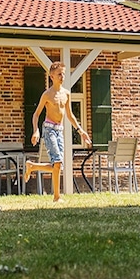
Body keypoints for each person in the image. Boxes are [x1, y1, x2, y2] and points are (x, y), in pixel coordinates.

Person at [25, 61, 91, 202]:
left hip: (59, 130)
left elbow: (70, 115)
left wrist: (81, 131)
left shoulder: (66, 94)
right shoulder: (47, 95)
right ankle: (56, 196)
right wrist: (36, 130)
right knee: (57, 162)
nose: (62, 77)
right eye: (59, 74)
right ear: (52, 76)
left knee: (58, 164)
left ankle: (32, 166)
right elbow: (36, 114)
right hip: (49, 129)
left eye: (64, 74)